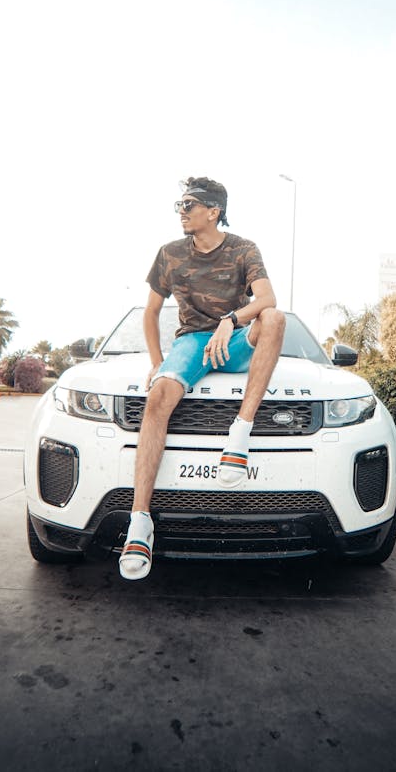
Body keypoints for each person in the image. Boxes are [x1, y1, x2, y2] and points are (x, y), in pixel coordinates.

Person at [119, 176, 285, 580]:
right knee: (158, 398)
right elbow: (151, 312)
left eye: (189, 204)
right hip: (192, 342)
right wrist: (157, 362)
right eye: (178, 204)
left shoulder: (244, 248)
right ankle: (140, 522)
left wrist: (230, 321)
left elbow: (267, 300)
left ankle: (240, 433)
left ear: (213, 211)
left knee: (275, 319)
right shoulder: (169, 254)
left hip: (237, 341)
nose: (181, 210)